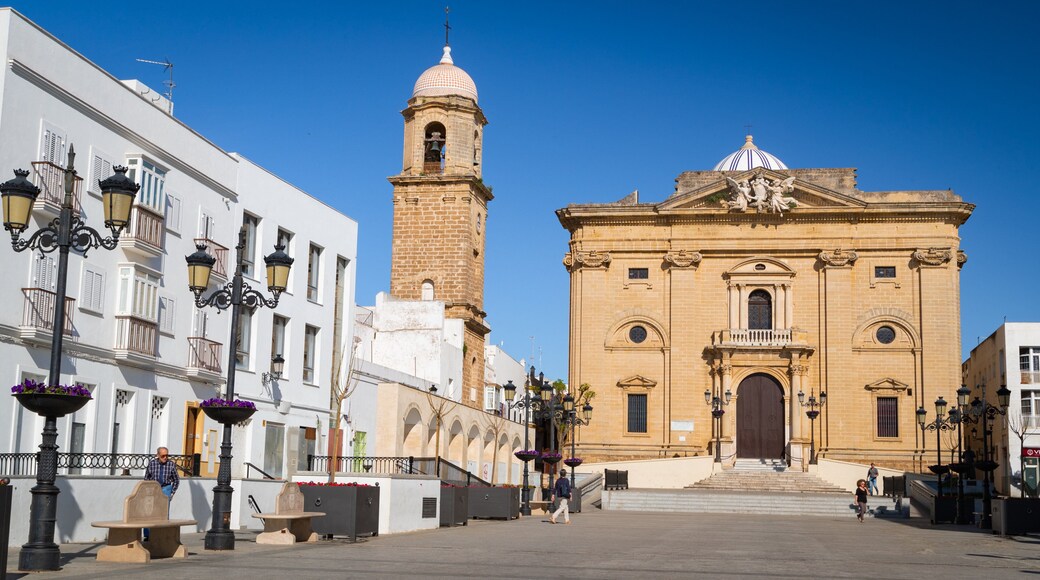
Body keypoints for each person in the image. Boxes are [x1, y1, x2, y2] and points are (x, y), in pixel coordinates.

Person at [143, 446, 179, 540]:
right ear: (158, 455)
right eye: (163, 455)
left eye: (167, 455)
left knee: (164, 512)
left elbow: (176, 480)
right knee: (149, 511)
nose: (165, 458)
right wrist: (147, 491)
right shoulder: (152, 464)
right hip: (153, 488)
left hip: (166, 488)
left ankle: (163, 535)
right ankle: (147, 535)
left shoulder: (171, 465)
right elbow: (146, 478)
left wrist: (172, 492)